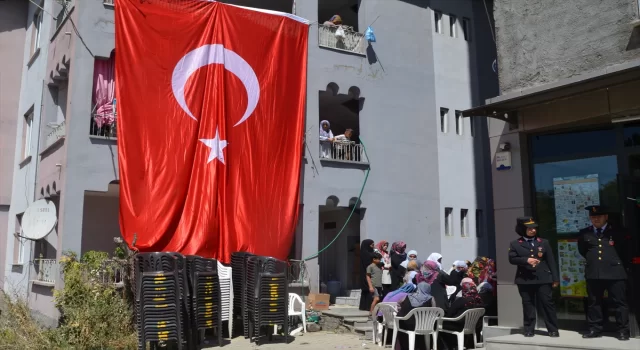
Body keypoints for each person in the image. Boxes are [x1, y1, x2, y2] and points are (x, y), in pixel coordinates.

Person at [578, 205, 629, 341]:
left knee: (620, 303)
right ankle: (595, 329)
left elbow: (625, 251)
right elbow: (583, 250)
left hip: (615, 272)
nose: (596, 219)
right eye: (593, 217)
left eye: (599, 216)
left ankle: (623, 330)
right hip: (594, 273)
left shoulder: (618, 231)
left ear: (606, 217)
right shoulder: (584, 233)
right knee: (594, 302)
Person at [508, 216, 560, 338]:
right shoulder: (515, 244)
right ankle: (529, 329)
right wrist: (526, 260)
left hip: (543, 278)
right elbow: (512, 258)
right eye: (529, 228)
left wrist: (555, 278)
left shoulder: (544, 242)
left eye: (534, 228)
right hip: (525, 279)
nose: (533, 230)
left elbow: (551, 261)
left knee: (547, 303)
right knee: (528, 304)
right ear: (522, 229)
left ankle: (552, 329)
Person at [439, 279, 485, 350]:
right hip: (474, 326)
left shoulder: (462, 300)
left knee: (438, 325)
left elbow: (450, 313)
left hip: (459, 326)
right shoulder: (479, 300)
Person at [393, 282, 434, 350]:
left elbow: (398, 303)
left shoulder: (407, 296)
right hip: (424, 326)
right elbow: (434, 310)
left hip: (407, 325)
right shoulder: (431, 298)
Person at [359, 239, 375, 311]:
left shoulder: (363, 253)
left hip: (364, 273)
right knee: (368, 290)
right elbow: (369, 264)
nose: (373, 247)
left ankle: (363, 306)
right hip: (367, 273)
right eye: (371, 245)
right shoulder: (367, 254)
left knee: (365, 290)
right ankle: (368, 306)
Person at [367, 252, 384, 317]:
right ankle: (371, 313)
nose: (379, 260)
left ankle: (377, 313)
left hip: (379, 285)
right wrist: (370, 286)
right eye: (378, 259)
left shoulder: (379, 266)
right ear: (374, 259)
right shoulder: (370, 267)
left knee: (379, 300)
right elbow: (368, 276)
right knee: (376, 299)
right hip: (374, 285)